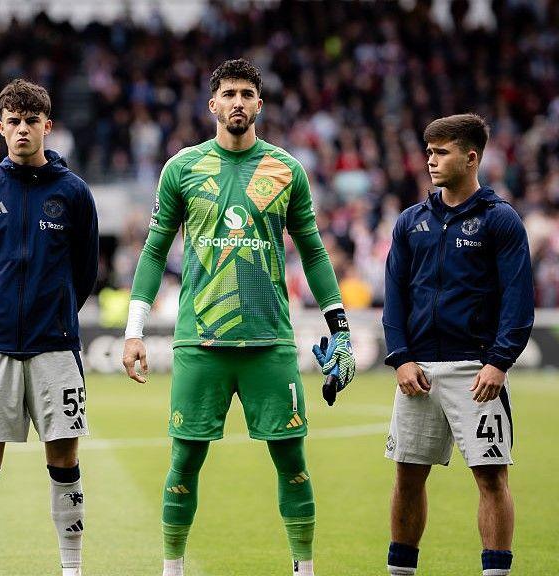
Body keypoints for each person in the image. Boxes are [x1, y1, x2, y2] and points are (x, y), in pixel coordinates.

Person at [121, 59, 355, 576]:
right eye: (228, 93)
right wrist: (134, 330)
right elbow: (155, 250)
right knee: (185, 461)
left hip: (269, 340)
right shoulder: (182, 168)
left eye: (247, 94)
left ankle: (304, 569)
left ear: (260, 105)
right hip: (199, 341)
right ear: (213, 104)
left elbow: (313, 251)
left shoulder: (285, 170)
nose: (238, 103)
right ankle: (172, 568)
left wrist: (339, 327)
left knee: (292, 460)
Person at [0, 79, 99, 576]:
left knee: (63, 452)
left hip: (56, 346)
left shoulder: (74, 193)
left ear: (47, 126)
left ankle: (71, 566)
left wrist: (57, 312)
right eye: (13, 122)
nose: (22, 130)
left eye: (30, 121)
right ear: (1, 127)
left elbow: (85, 272)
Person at [382, 114, 533, 576]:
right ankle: (401, 572)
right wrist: (401, 358)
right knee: (408, 476)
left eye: (441, 151)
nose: (430, 160)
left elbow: (519, 298)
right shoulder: (411, 221)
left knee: (491, 477)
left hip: (476, 373)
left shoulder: (500, 220)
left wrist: (499, 362)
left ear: (471, 158)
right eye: (428, 151)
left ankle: (495, 573)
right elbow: (395, 295)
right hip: (418, 373)